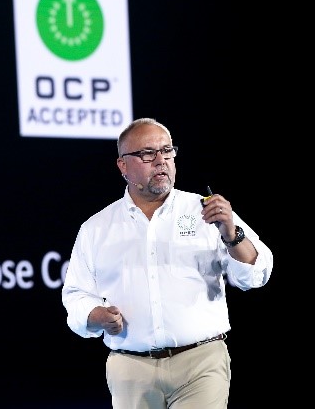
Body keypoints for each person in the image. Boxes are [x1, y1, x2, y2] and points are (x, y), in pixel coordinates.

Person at [61, 117, 273, 408]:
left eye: (167, 151)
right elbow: (76, 294)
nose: (161, 160)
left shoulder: (206, 211)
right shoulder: (96, 228)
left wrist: (230, 232)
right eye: (148, 153)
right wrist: (94, 315)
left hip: (200, 361)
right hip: (131, 367)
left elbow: (256, 275)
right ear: (123, 166)